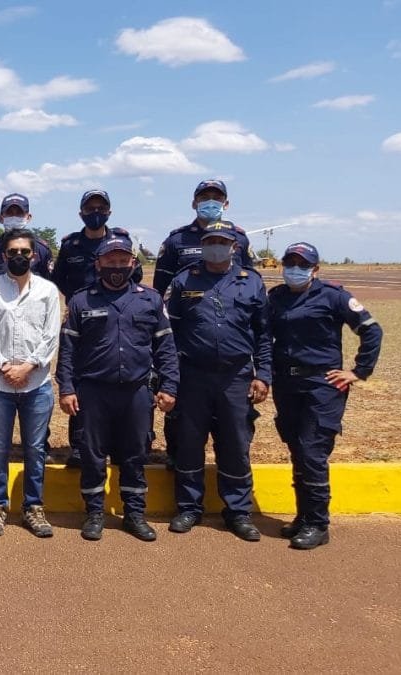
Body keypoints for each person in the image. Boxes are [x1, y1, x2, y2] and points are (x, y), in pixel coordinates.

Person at [56, 237, 179, 542]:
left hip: (136, 392)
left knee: (135, 454)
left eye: (123, 261)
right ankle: (95, 513)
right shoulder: (81, 301)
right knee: (92, 455)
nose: (116, 267)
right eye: (109, 261)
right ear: (98, 264)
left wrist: (170, 385)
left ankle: (134, 514)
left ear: (133, 264)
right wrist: (66, 388)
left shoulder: (150, 300)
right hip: (93, 392)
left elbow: (165, 348)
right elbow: (68, 349)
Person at [267, 242, 383, 549]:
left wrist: (358, 371)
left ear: (315, 269)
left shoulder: (334, 295)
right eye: (290, 262)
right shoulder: (276, 298)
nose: (295, 268)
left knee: (312, 451)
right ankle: (304, 517)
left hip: (323, 385)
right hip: (287, 384)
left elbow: (372, 330)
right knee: (296, 449)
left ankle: (319, 524)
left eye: (302, 264)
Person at [166, 222, 271, 541]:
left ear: (234, 247)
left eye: (222, 242)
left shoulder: (251, 282)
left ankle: (238, 511)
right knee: (188, 444)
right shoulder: (184, 280)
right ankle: (188, 507)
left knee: (236, 445)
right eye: (210, 241)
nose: (216, 246)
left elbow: (264, 334)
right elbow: (168, 334)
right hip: (192, 375)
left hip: (236, 377)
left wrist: (264, 374)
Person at [152, 179, 256, 471]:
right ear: (194, 202)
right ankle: (177, 464)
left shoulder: (240, 238)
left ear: (226, 203)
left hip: (230, 344)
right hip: (188, 342)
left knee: (234, 432)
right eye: (204, 197)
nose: (210, 201)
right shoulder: (176, 240)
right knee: (183, 421)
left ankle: (234, 499)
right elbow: (162, 289)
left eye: (216, 197)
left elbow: (248, 285)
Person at [0, 230, 59, 538]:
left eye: (25, 251)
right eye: (13, 252)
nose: (19, 256)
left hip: (36, 383)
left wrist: (27, 366)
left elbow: (51, 335)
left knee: (34, 449)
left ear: (34, 255)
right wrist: (3, 367)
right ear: (4, 255)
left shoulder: (48, 291)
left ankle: (33, 508)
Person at [50, 189, 142, 468]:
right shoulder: (71, 245)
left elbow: (133, 277)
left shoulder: (121, 241)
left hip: (117, 314)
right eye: (90, 208)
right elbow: (60, 278)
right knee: (81, 380)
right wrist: (79, 303)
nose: (95, 212)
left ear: (109, 212)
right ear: (81, 213)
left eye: (101, 208)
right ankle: (79, 444)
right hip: (84, 315)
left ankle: (118, 444)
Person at [0, 193, 56, 463]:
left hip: (32, 334)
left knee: (37, 404)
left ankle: (41, 441)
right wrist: (0, 362)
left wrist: (30, 364)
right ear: (0, 217)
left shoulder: (42, 249)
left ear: (29, 216)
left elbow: (49, 290)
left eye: (19, 212)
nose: (14, 216)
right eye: (9, 212)